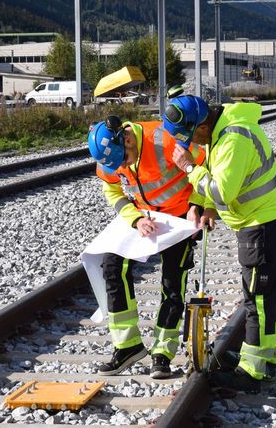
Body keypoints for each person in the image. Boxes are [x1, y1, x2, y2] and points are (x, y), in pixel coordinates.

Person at [161, 91, 276, 392]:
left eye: (191, 138)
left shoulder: (233, 139)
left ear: (202, 127)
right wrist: (200, 203)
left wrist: (187, 168)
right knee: (266, 292)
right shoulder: (221, 130)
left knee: (257, 296)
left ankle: (252, 372)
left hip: (262, 222)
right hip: (266, 217)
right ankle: (265, 357)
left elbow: (223, 191)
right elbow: (213, 175)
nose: (192, 145)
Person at [87, 114, 206, 379]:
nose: (123, 168)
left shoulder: (164, 139)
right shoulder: (110, 159)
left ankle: (162, 354)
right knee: (111, 265)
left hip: (178, 218)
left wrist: (197, 204)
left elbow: (204, 164)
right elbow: (113, 191)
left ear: (127, 139)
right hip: (145, 217)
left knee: (172, 282)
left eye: (125, 160)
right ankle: (127, 346)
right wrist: (136, 218)